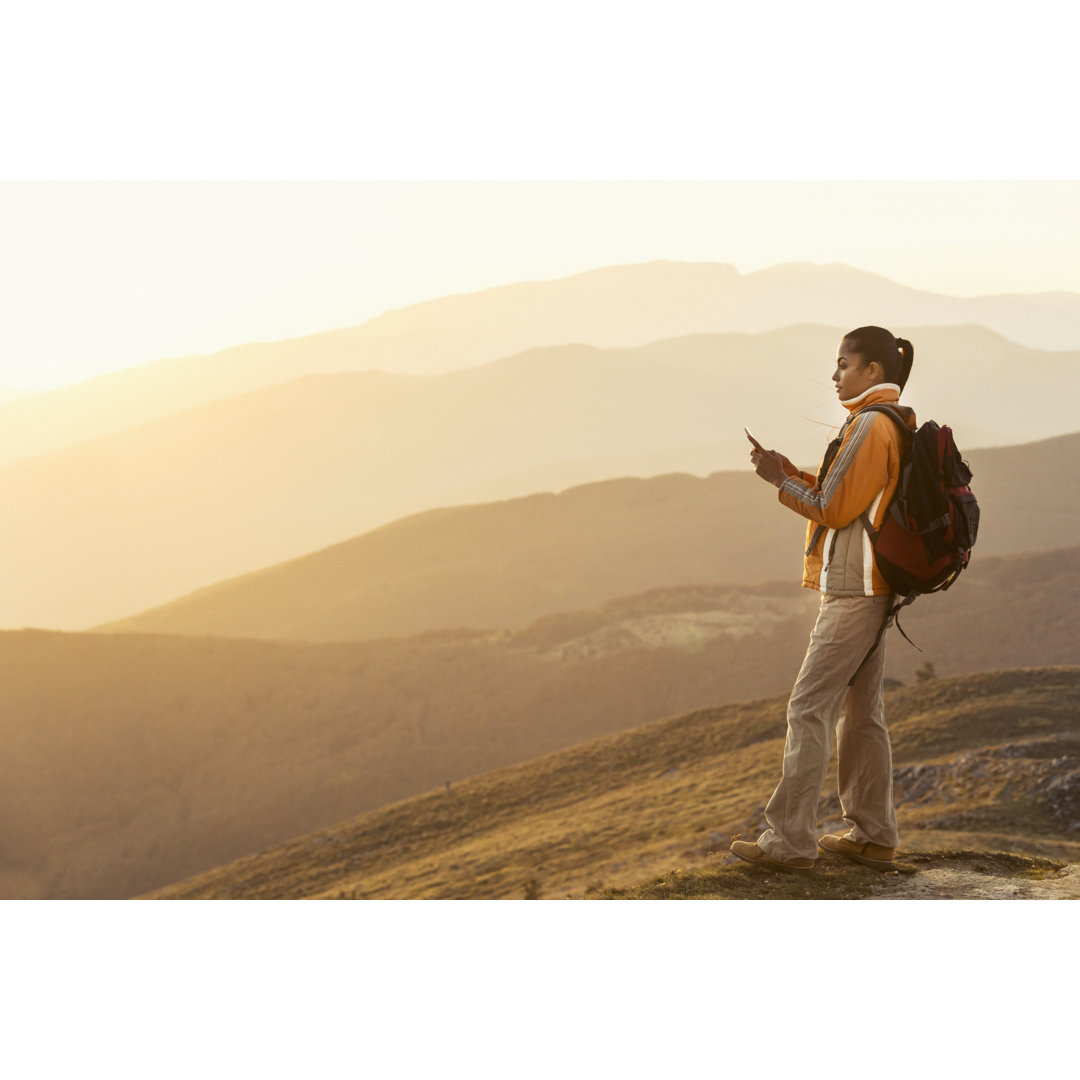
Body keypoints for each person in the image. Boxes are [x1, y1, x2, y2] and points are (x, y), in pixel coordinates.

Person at [730, 326, 916, 871]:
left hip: (854, 589)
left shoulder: (866, 426)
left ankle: (788, 843)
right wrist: (792, 472)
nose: (835, 375)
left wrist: (777, 483)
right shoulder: (894, 423)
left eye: (843, 364)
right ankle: (872, 834)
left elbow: (834, 510)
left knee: (809, 707)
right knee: (861, 712)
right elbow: (852, 498)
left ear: (872, 371)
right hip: (877, 586)